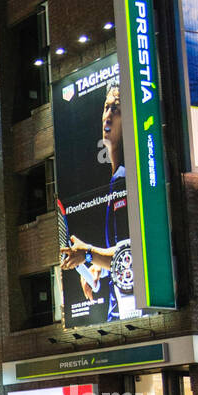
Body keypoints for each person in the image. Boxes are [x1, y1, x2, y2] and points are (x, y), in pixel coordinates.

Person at [59, 81, 132, 322]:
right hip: (121, 317)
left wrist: (89, 254)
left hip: (139, 313)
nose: (108, 116)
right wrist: (98, 265)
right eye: (106, 108)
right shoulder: (116, 179)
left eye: (116, 109)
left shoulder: (132, 177)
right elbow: (123, 254)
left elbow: (136, 255)